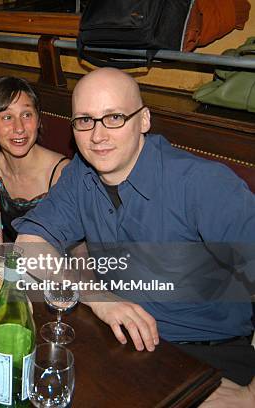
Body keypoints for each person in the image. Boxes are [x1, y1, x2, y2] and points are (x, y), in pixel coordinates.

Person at [14, 68, 254, 393]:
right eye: (85, 120)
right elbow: (28, 245)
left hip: (207, 355)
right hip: (121, 339)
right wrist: (99, 299)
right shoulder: (81, 176)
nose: (97, 136)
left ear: (144, 120)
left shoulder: (202, 183)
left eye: (114, 117)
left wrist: (250, 394)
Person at [0, 76, 69, 242]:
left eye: (26, 115)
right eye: (7, 117)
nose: (19, 128)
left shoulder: (61, 174)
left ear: (39, 120)